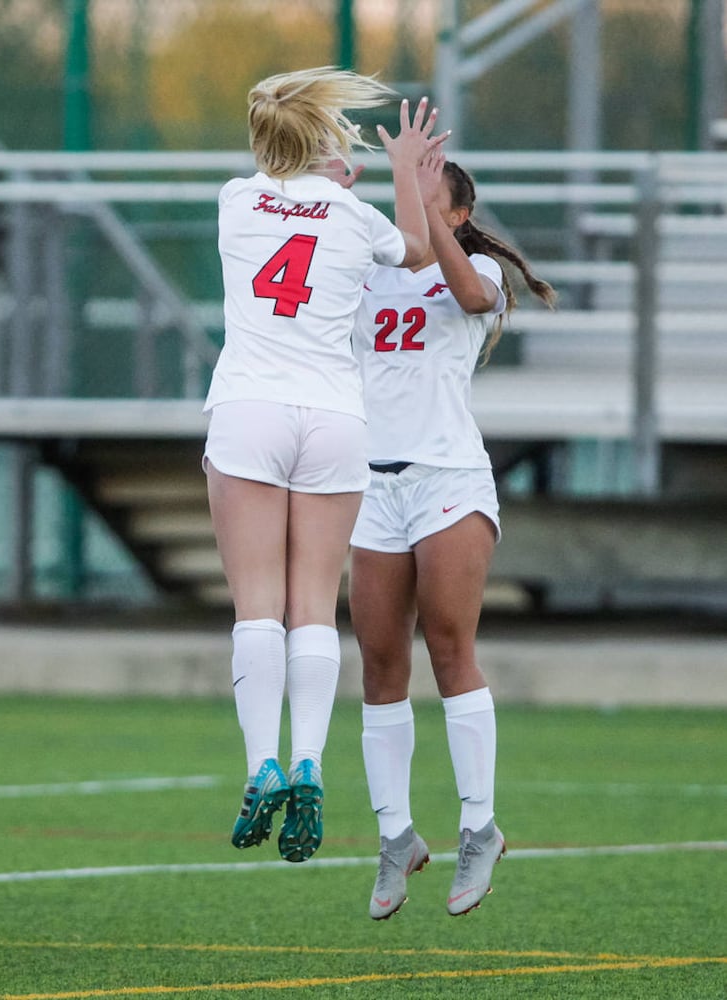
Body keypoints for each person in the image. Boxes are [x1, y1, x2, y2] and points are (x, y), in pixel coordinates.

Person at [206, 67, 448, 863]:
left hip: (249, 410)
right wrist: (409, 173)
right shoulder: (353, 215)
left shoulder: (235, 201)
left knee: (255, 609)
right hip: (336, 418)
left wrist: (321, 166)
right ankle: (309, 759)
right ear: (328, 149)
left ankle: (261, 765)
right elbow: (414, 251)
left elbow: (284, 178)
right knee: (313, 606)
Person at [349, 152, 556, 918]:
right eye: (400, 186)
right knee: (377, 660)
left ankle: (479, 827)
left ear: (458, 214)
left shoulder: (474, 271)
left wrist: (423, 208)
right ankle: (394, 836)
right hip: (372, 483)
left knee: (447, 645)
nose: (405, 197)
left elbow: (467, 296)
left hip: (446, 480)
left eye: (424, 190)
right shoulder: (369, 269)